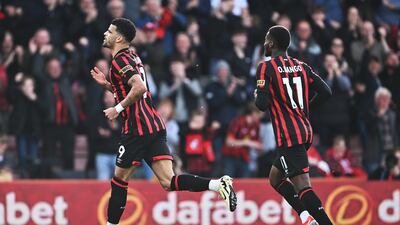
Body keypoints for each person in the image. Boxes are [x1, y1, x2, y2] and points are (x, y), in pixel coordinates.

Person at [90, 18, 236, 225]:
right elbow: (130, 90)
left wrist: (117, 108)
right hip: (154, 126)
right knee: (168, 181)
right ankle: (218, 185)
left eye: (109, 30)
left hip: (137, 128)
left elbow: (139, 88)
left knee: (119, 180)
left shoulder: (119, 61)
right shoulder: (133, 56)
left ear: (119, 38)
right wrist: (107, 85)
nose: (105, 33)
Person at [254, 25, 333, 225]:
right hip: (304, 131)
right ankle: (306, 217)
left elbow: (261, 105)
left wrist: (258, 94)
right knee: (275, 178)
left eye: (266, 39)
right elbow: (326, 92)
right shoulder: (302, 66)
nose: (264, 43)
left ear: (271, 43)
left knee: (303, 187)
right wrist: (305, 109)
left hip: (289, 135)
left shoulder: (266, 67)